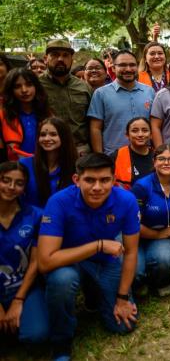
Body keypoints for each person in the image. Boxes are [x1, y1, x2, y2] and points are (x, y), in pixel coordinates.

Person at [37, 153, 139, 360]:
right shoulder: (58, 202)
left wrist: (122, 298)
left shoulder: (126, 200)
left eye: (104, 180)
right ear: (77, 180)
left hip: (105, 261)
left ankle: (95, 296)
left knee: (124, 325)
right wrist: (98, 246)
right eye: (89, 180)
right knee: (62, 280)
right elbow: (45, 261)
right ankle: (61, 342)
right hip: (68, 261)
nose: (97, 187)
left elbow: (130, 251)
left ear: (114, 180)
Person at [0, 161, 49, 345]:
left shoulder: (35, 215)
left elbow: (36, 262)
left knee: (37, 335)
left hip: (24, 288)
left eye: (19, 183)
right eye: (5, 180)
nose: (11, 187)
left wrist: (18, 299)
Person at [131, 144, 170, 296]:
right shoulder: (141, 187)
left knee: (165, 257)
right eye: (161, 159)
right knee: (136, 272)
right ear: (154, 162)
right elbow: (132, 223)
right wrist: (156, 235)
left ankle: (161, 281)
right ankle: (141, 281)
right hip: (138, 237)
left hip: (164, 237)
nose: (166, 163)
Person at [88, 50, 155, 156]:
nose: (128, 69)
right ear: (113, 68)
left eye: (132, 65)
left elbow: (154, 124)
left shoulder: (149, 91)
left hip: (145, 155)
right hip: (113, 156)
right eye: (122, 65)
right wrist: (100, 157)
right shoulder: (101, 93)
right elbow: (95, 128)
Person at [39, 40, 92, 155]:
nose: (60, 59)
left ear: (72, 60)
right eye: (55, 55)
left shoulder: (84, 87)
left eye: (65, 56)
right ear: (45, 58)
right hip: (47, 150)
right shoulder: (36, 85)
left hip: (80, 150)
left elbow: (93, 123)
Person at [19, 118, 77, 208]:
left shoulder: (76, 166)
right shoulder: (25, 164)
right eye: (42, 135)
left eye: (53, 134)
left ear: (64, 137)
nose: (46, 138)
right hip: (32, 219)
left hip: (64, 219)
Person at [1, 69, 50, 161]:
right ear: (10, 90)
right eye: (17, 86)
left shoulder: (47, 114)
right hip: (14, 169)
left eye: (29, 85)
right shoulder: (4, 116)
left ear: (36, 87)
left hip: (45, 167)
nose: (24, 90)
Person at [112, 117, 154, 190]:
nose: (140, 134)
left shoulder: (158, 157)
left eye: (145, 130)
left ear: (151, 135)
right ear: (127, 135)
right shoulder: (117, 156)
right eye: (135, 131)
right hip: (124, 199)